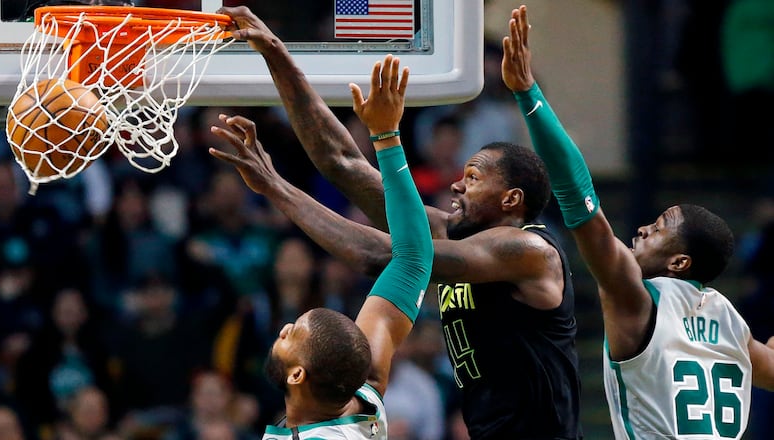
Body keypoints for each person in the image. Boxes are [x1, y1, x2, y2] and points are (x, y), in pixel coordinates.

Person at [216, 6, 582, 439]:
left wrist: (279, 189)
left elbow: (383, 255)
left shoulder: (529, 252)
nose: (456, 188)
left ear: (511, 199)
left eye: (473, 177)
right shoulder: (453, 233)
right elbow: (344, 162)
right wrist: (278, 56)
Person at [502, 5, 774, 439]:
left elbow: (581, 204)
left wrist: (528, 95)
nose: (643, 229)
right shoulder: (734, 326)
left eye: (660, 227)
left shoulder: (639, 298)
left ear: (680, 262)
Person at [207, 54, 433, 439]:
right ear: (298, 375)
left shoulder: (366, 394)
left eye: (291, 331)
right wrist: (387, 137)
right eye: (292, 330)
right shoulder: (362, 398)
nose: (282, 329)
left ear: (298, 375)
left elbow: (416, 257)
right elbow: (413, 257)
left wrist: (386, 135)